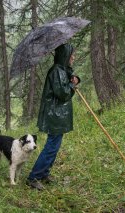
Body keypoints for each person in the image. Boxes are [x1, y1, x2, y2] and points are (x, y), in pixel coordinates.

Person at [26, 43, 80, 190]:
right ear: (65, 56)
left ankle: (43, 173)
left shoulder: (62, 70)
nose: (73, 57)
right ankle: (34, 177)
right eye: (71, 55)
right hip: (54, 115)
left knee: (54, 146)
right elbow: (63, 93)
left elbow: (67, 81)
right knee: (51, 147)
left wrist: (74, 79)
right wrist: (72, 86)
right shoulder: (56, 71)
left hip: (58, 115)